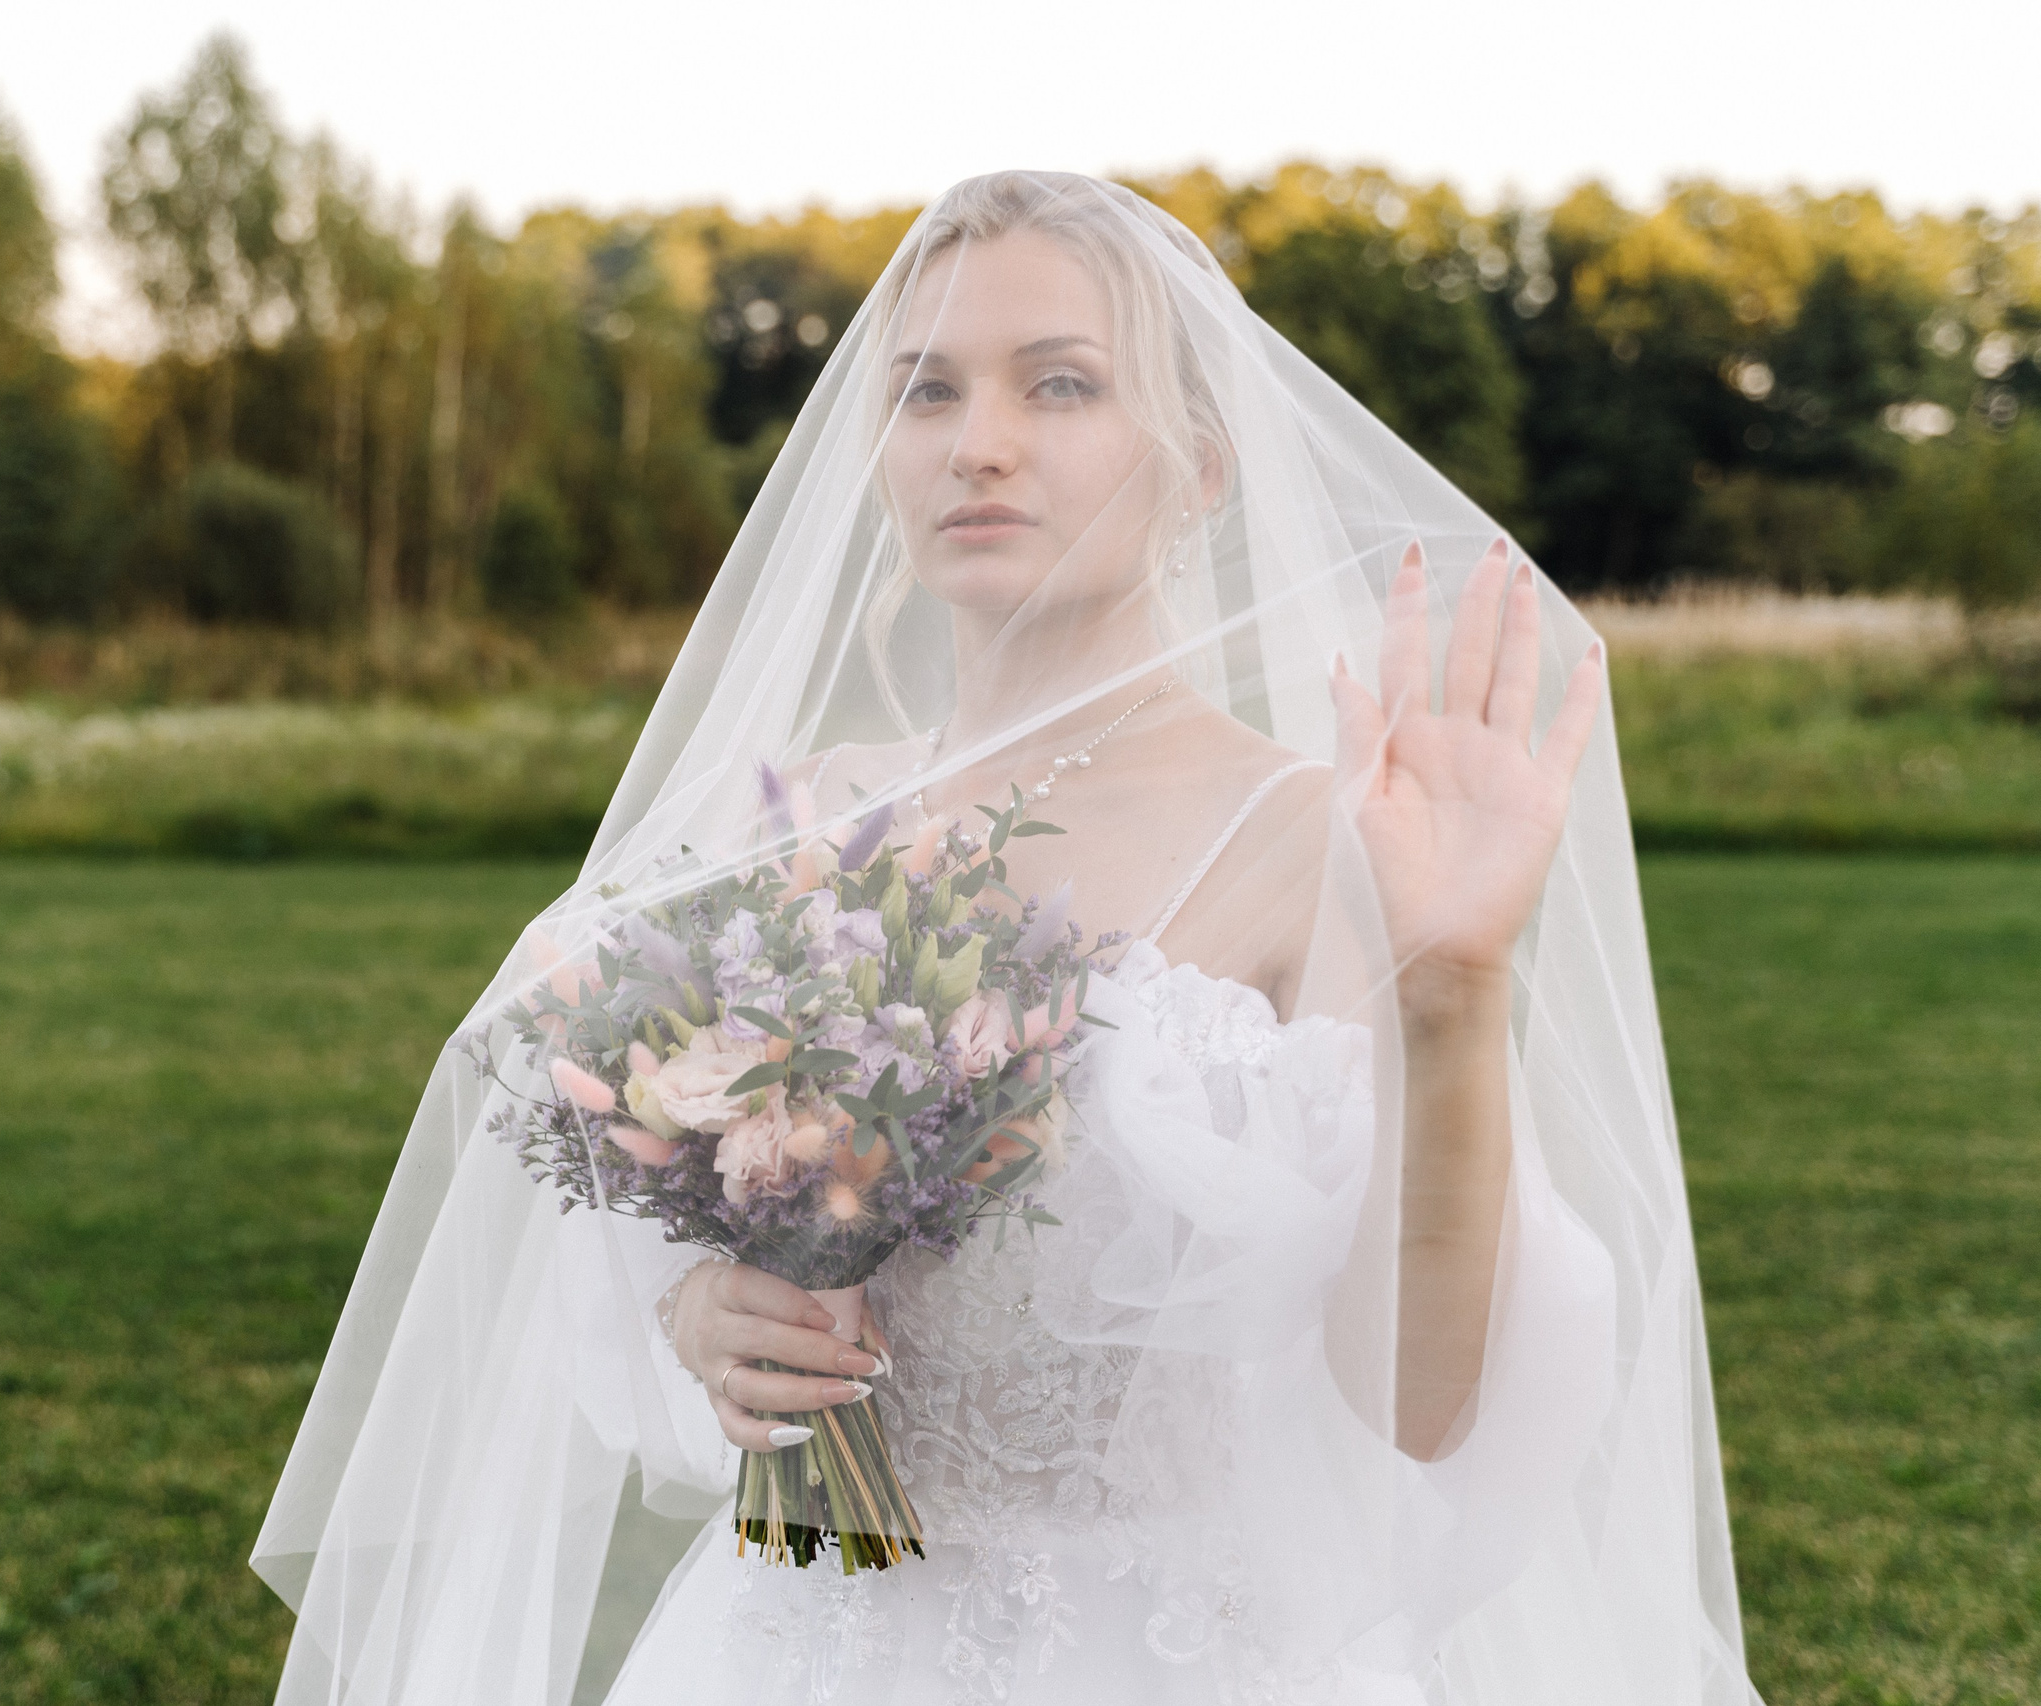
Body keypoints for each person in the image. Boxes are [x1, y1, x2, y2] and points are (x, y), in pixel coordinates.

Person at [252, 172, 1762, 1705]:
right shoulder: (783, 833)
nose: (979, 441)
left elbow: (1426, 1405)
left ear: (1204, 468)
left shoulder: (1323, 840)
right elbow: (610, 1243)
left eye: (1062, 383)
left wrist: (1454, 997)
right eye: (926, 391)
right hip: (797, 1636)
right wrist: (708, 1312)